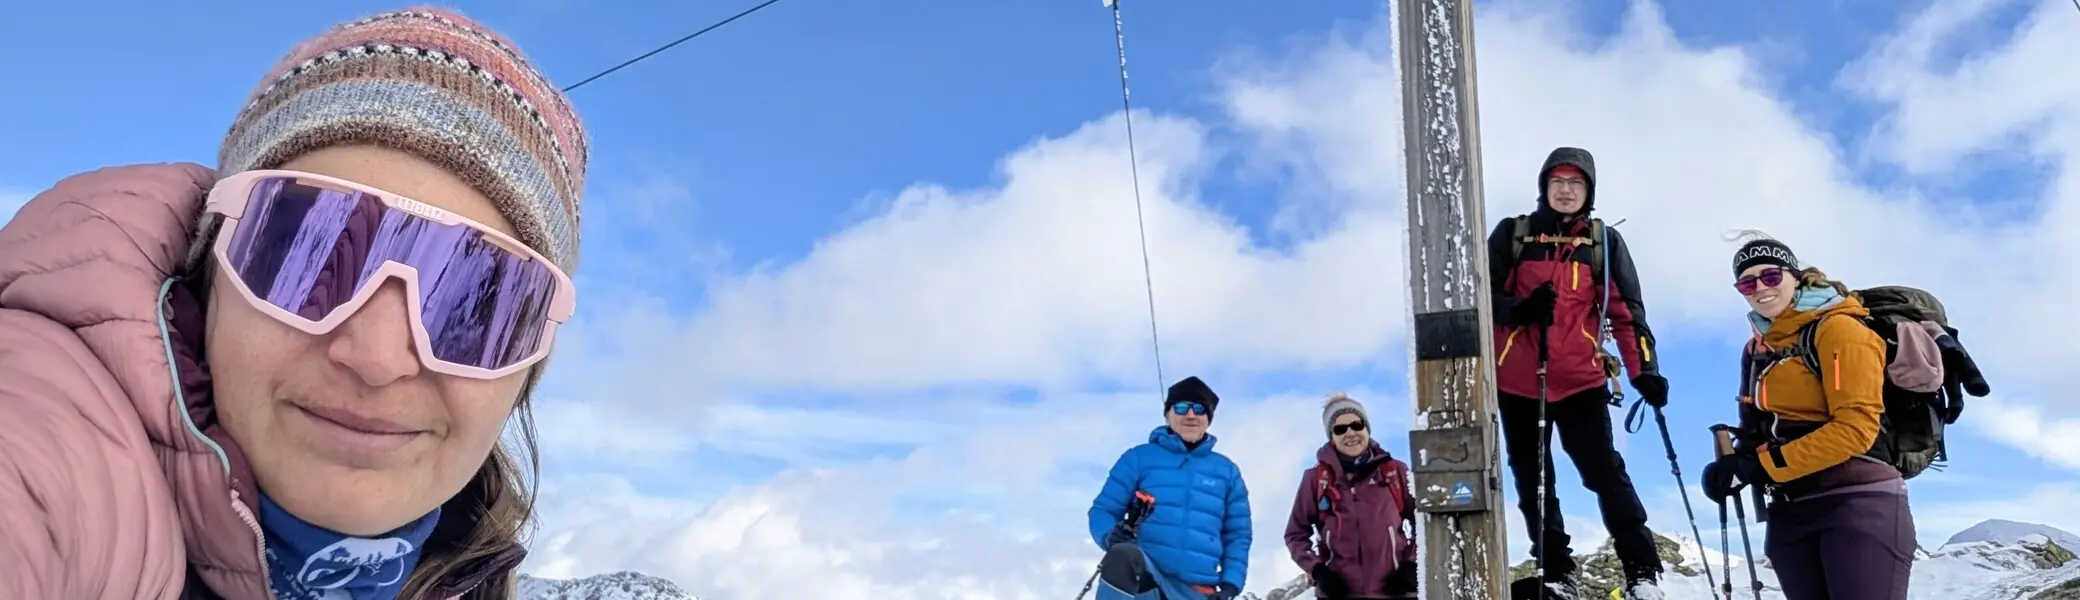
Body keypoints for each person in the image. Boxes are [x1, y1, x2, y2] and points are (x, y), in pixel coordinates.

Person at [0, 7, 588, 600]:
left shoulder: (471, 578)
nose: (377, 358)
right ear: (209, 276)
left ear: (522, 374)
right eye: (307, 256)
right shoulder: (53, 435)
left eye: (476, 304)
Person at [1485, 146, 1667, 599]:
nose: (1566, 191)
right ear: (1544, 187)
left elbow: (1626, 312)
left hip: (1581, 380)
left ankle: (1643, 571)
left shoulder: (1603, 243)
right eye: (1558, 182)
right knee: (1533, 480)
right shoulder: (1513, 235)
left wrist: (1644, 369)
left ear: (1588, 191)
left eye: (1576, 183)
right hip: (1518, 382)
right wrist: (1518, 309)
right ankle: (1556, 572)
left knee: (1604, 471)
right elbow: (1479, 297)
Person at [1701, 236, 1914, 600]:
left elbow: (1855, 429)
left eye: (1770, 276)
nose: (1760, 289)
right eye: (1747, 283)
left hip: (1858, 504)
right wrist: (1735, 463)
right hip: (1790, 511)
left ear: (1795, 276)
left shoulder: (1840, 329)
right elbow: (1755, 430)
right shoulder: (1757, 350)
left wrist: (1761, 468)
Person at [1088, 376, 1253, 600]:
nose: (1191, 415)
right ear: (1168, 414)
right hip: (1148, 579)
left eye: (1199, 409)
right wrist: (1109, 536)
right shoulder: (1138, 458)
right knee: (1123, 555)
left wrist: (1230, 586)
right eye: (1182, 407)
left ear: (1209, 419)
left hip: (1199, 590)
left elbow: (1238, 535)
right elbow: (1103, 510)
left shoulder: (1227, 472)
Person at [1284, 393, 1418, 600]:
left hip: (1395, 592)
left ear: (1367, 428)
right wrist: (1319, 571)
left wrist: (1411, 566)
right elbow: (1295, 534)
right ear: (1332, 436)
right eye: (1340, 429)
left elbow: (1424, 520)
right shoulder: (1316, 479)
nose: (1350, 433)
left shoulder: (1394, 472)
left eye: (1357, 425)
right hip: (1338, 594)